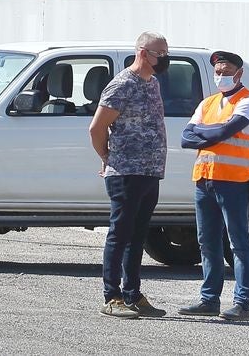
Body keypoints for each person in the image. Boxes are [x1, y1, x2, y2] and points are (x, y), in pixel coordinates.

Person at [177, 51, 249, 322]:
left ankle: (242, 304)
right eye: (217, 71)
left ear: (239, 74)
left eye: (226, 71)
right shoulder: (208, 103)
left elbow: (221, 133)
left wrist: (205, 134)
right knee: (207, 241)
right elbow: (185, 138)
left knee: (238, 243)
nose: (221, 76)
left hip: (234, 181)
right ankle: (209, 299)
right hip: (204, 179)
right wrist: (210, 134)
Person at [88, 31, 170, 319]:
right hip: (126, 171)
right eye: (160, 53)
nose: (165, 58)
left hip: (149, 172)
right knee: (120, 234)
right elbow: (97, 128)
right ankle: (112, 296)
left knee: (138, 235)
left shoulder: (153, 83)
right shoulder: (122, 85)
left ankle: (132, 294)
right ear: (143, 52)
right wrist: (108, 158)